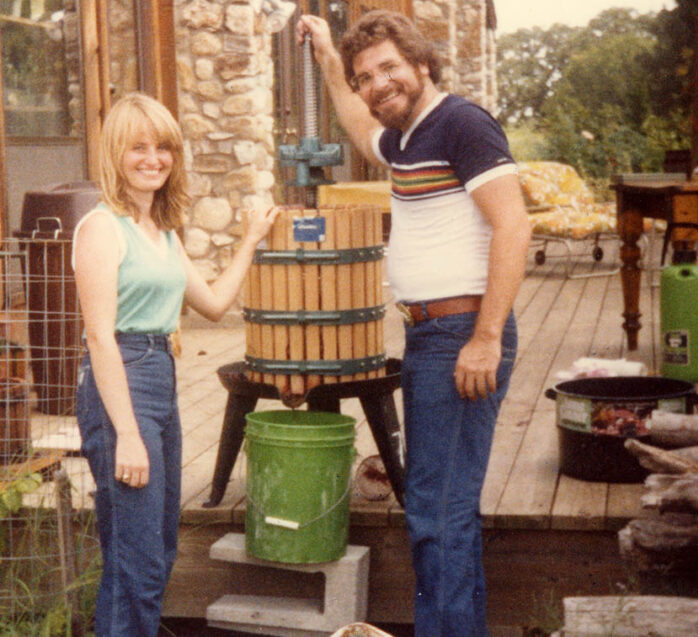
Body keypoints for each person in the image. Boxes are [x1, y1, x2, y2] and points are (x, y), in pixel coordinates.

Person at [296, 11, 531, 636]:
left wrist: (485, 337)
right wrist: (326, 54)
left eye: (389, 68)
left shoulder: (460, 122)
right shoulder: (405, 138)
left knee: (434, 511)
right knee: (445, 509)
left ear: (422, 62)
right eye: (365, 76)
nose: (377, 84)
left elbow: (514, 225)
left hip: (460, 333)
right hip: (432, 336)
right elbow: (355, 124)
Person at [72, 92, 278, 637]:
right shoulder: (100, 229)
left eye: (163, 146)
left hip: (159, 374)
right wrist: (128, 434)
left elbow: (211, 303)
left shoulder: (160, 231)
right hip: (122, 382)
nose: (153, 158)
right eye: (138, 147)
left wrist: (250, 241)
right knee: (135, 560)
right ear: (114, 154)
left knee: (157, 550)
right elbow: (99, 336)